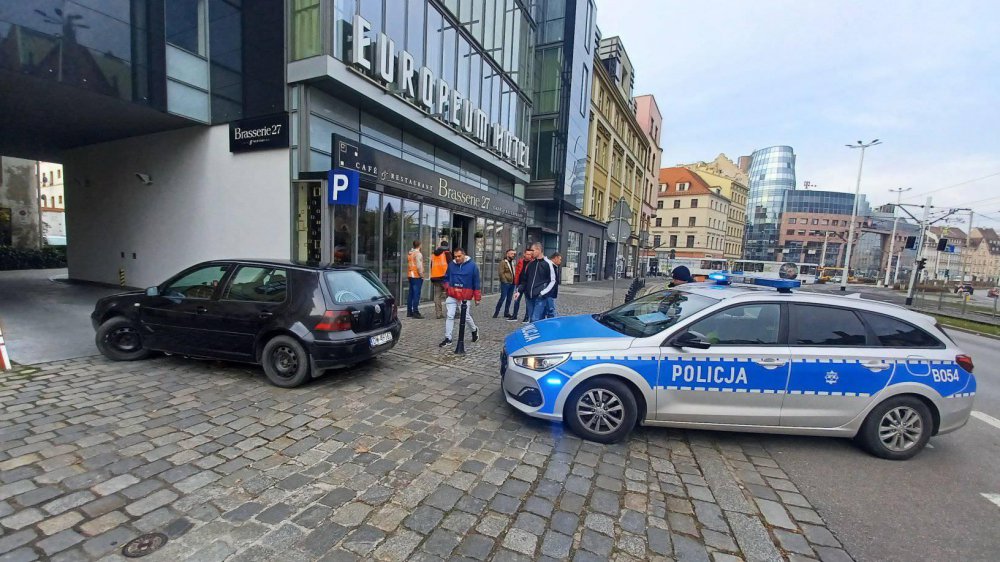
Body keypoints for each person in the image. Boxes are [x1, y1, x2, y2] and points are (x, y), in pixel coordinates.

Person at [440, 247, 481, 347]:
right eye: (455, 256)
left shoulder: (473, 266)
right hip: (452, 295)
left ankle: (474, 330)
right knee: (450, 315)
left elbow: (476, 282)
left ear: (464, 255)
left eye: (459, 256)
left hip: (465, 296)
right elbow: (446, 277)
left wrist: (477, 297)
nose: (457, 258)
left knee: (465, 316)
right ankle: (448, 338)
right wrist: (447, 287)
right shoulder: (451, 265)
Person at [516, 242, 557, 323]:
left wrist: (542, 293)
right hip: (529, 297)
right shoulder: (530, 264)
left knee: (535, 320)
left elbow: (553, 281)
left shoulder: (548, 264)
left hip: (540, 297)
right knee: (533, 321)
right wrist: (519, 291)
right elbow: (525, 280)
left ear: (539, 250)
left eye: (533, 250)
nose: (531, 253)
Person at [508, 248, 532, 322]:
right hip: (520, 284)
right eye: (527, 254)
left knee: (528, 301)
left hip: (528, 285)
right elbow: (517, 272)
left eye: (530, 254)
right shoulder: (520, 261)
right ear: (524, 254)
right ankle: (514, 316)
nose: (529, 256)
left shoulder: (532, 263)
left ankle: (526, 318)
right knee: (516, 300)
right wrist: (516, 282)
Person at [430, 240, 451, 319]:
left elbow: (432, 265)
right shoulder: (447, 253)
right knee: (449, 295)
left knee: (437, 296)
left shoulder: (434, 254)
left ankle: (438, 313)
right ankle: (450, 312)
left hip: (435, 277)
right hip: (445, 278)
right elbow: (451, 266)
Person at [494, 249, 517, 319]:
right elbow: (501, 273)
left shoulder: (513, 262)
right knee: (502, 298)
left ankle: (506, 312)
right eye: (511, 254)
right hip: (506, 283)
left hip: (512, 283)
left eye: (514, 254)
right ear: (507, 254)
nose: (513, 255)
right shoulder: (503, 262)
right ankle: (496, 312)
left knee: (509, 299)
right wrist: (505, 281)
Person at [406, 240, 424, 318]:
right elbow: (419, 266)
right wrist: (422, 275)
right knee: (416, 294)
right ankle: (415, 312)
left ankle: (409, 311)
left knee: (411, 294)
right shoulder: (418, 254)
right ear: (419, 245)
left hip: (410, 275)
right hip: (417, 276)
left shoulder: (410, 253)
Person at [544, 252, 562, 318]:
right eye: (560, 259)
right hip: (549, 292)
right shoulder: (550, 266)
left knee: (549, 309)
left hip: (550, 292)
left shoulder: (553, 266)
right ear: (555, 258)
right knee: (551, 310)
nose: (560, 261)